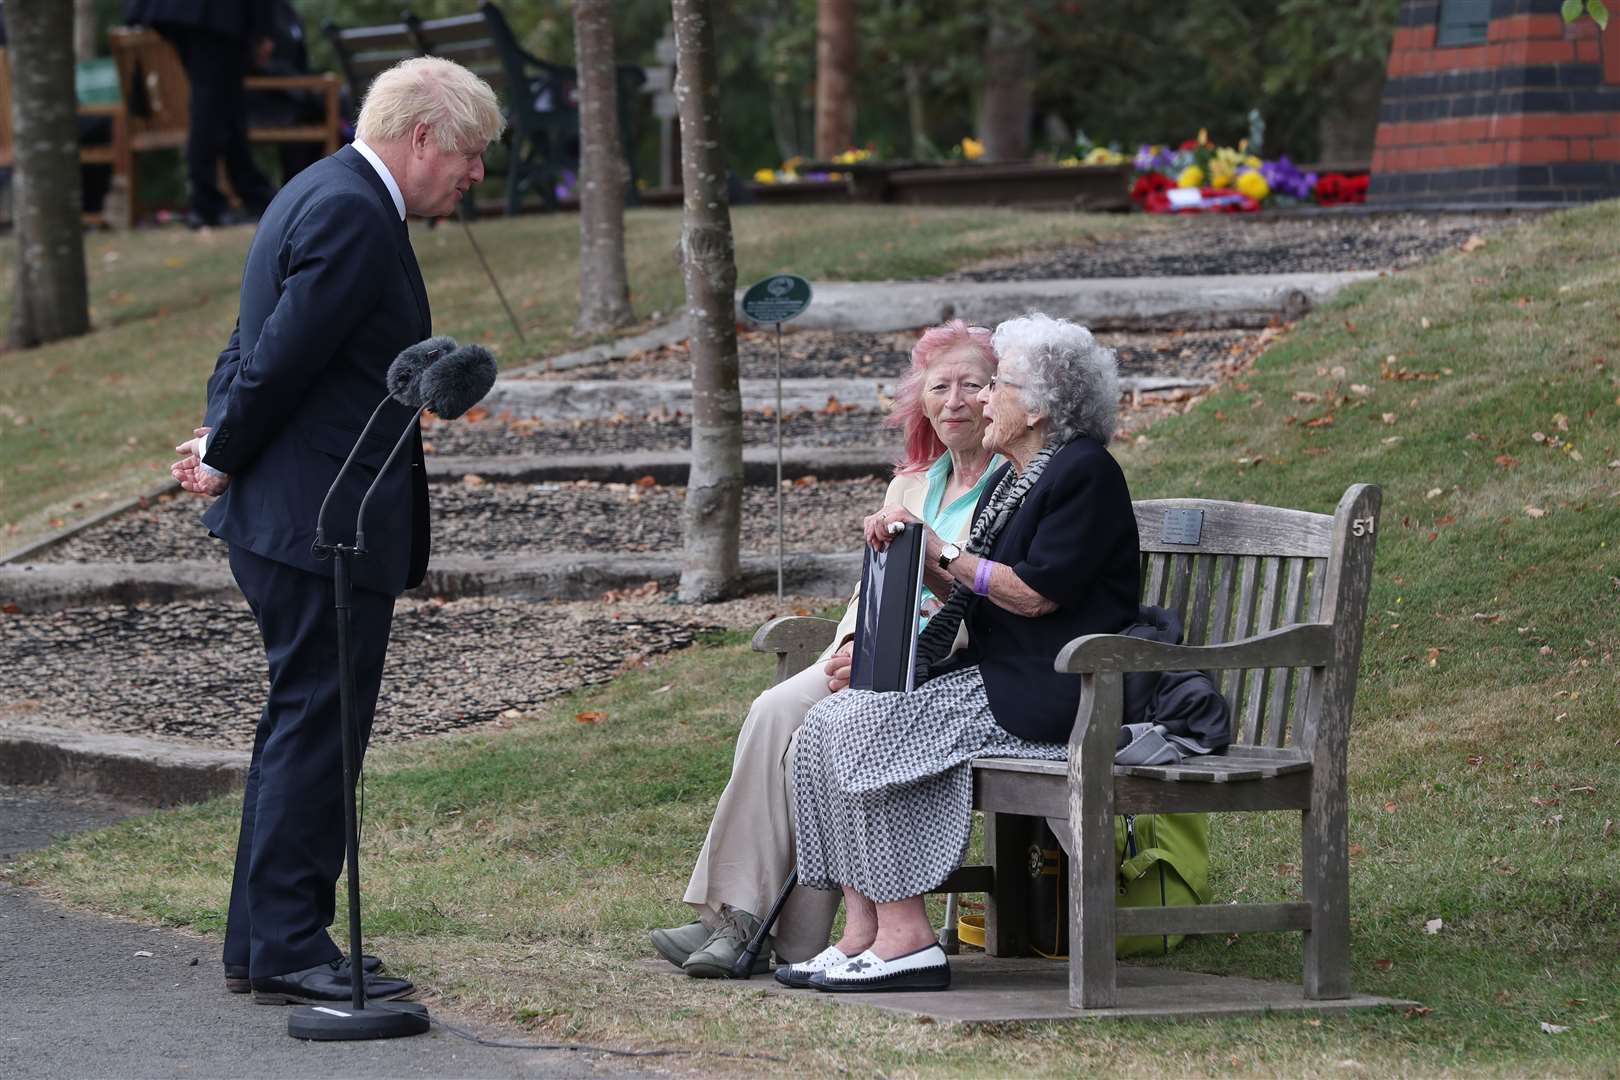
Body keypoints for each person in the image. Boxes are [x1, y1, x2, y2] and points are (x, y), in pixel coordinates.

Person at [169, 56, 503, 1005]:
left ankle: (261, 940)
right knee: (319, 729)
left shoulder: (320, 188)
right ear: (424, 136)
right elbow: (277, 356)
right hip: (322, 522)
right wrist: (228, 446)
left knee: (301, 726)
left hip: (298, 514)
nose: (474, 175)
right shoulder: (356, 210)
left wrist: (219, 434)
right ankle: (289, 945)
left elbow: (253, 345)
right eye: (470, 154)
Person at [778, 313, 1141, 992]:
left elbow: (1032, 596)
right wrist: (908, 549)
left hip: (1061, 688)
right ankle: (863, 936)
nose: (979, 400)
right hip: (1006, 677)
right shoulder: (1019, 477)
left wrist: (941, 547)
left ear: (1038, 407)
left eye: (995, 386)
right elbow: (977, 590)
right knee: (822, 728)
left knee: (863, 725)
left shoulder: (1084, 473)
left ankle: (908, 939)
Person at [649, 320, 1004, 978]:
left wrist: (885, 662)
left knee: (822, 727)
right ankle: (737, 916)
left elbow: (990, 601)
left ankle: (767, 933)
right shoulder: (911, 485)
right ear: (920, 400)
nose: (954, 399)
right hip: (871, 659)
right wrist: (850, 650)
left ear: (998, 395)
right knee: (775, 708)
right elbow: (870, 589)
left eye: (972, 385)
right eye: (940, 386)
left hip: (946, 669)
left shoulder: (1012, 487)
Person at [124, 0, 277, 227]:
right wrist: (263, 30)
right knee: (212, 102)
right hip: (212, 15)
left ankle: (250, 194)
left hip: (182, 12)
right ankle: (206, 202)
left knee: (223, 102)